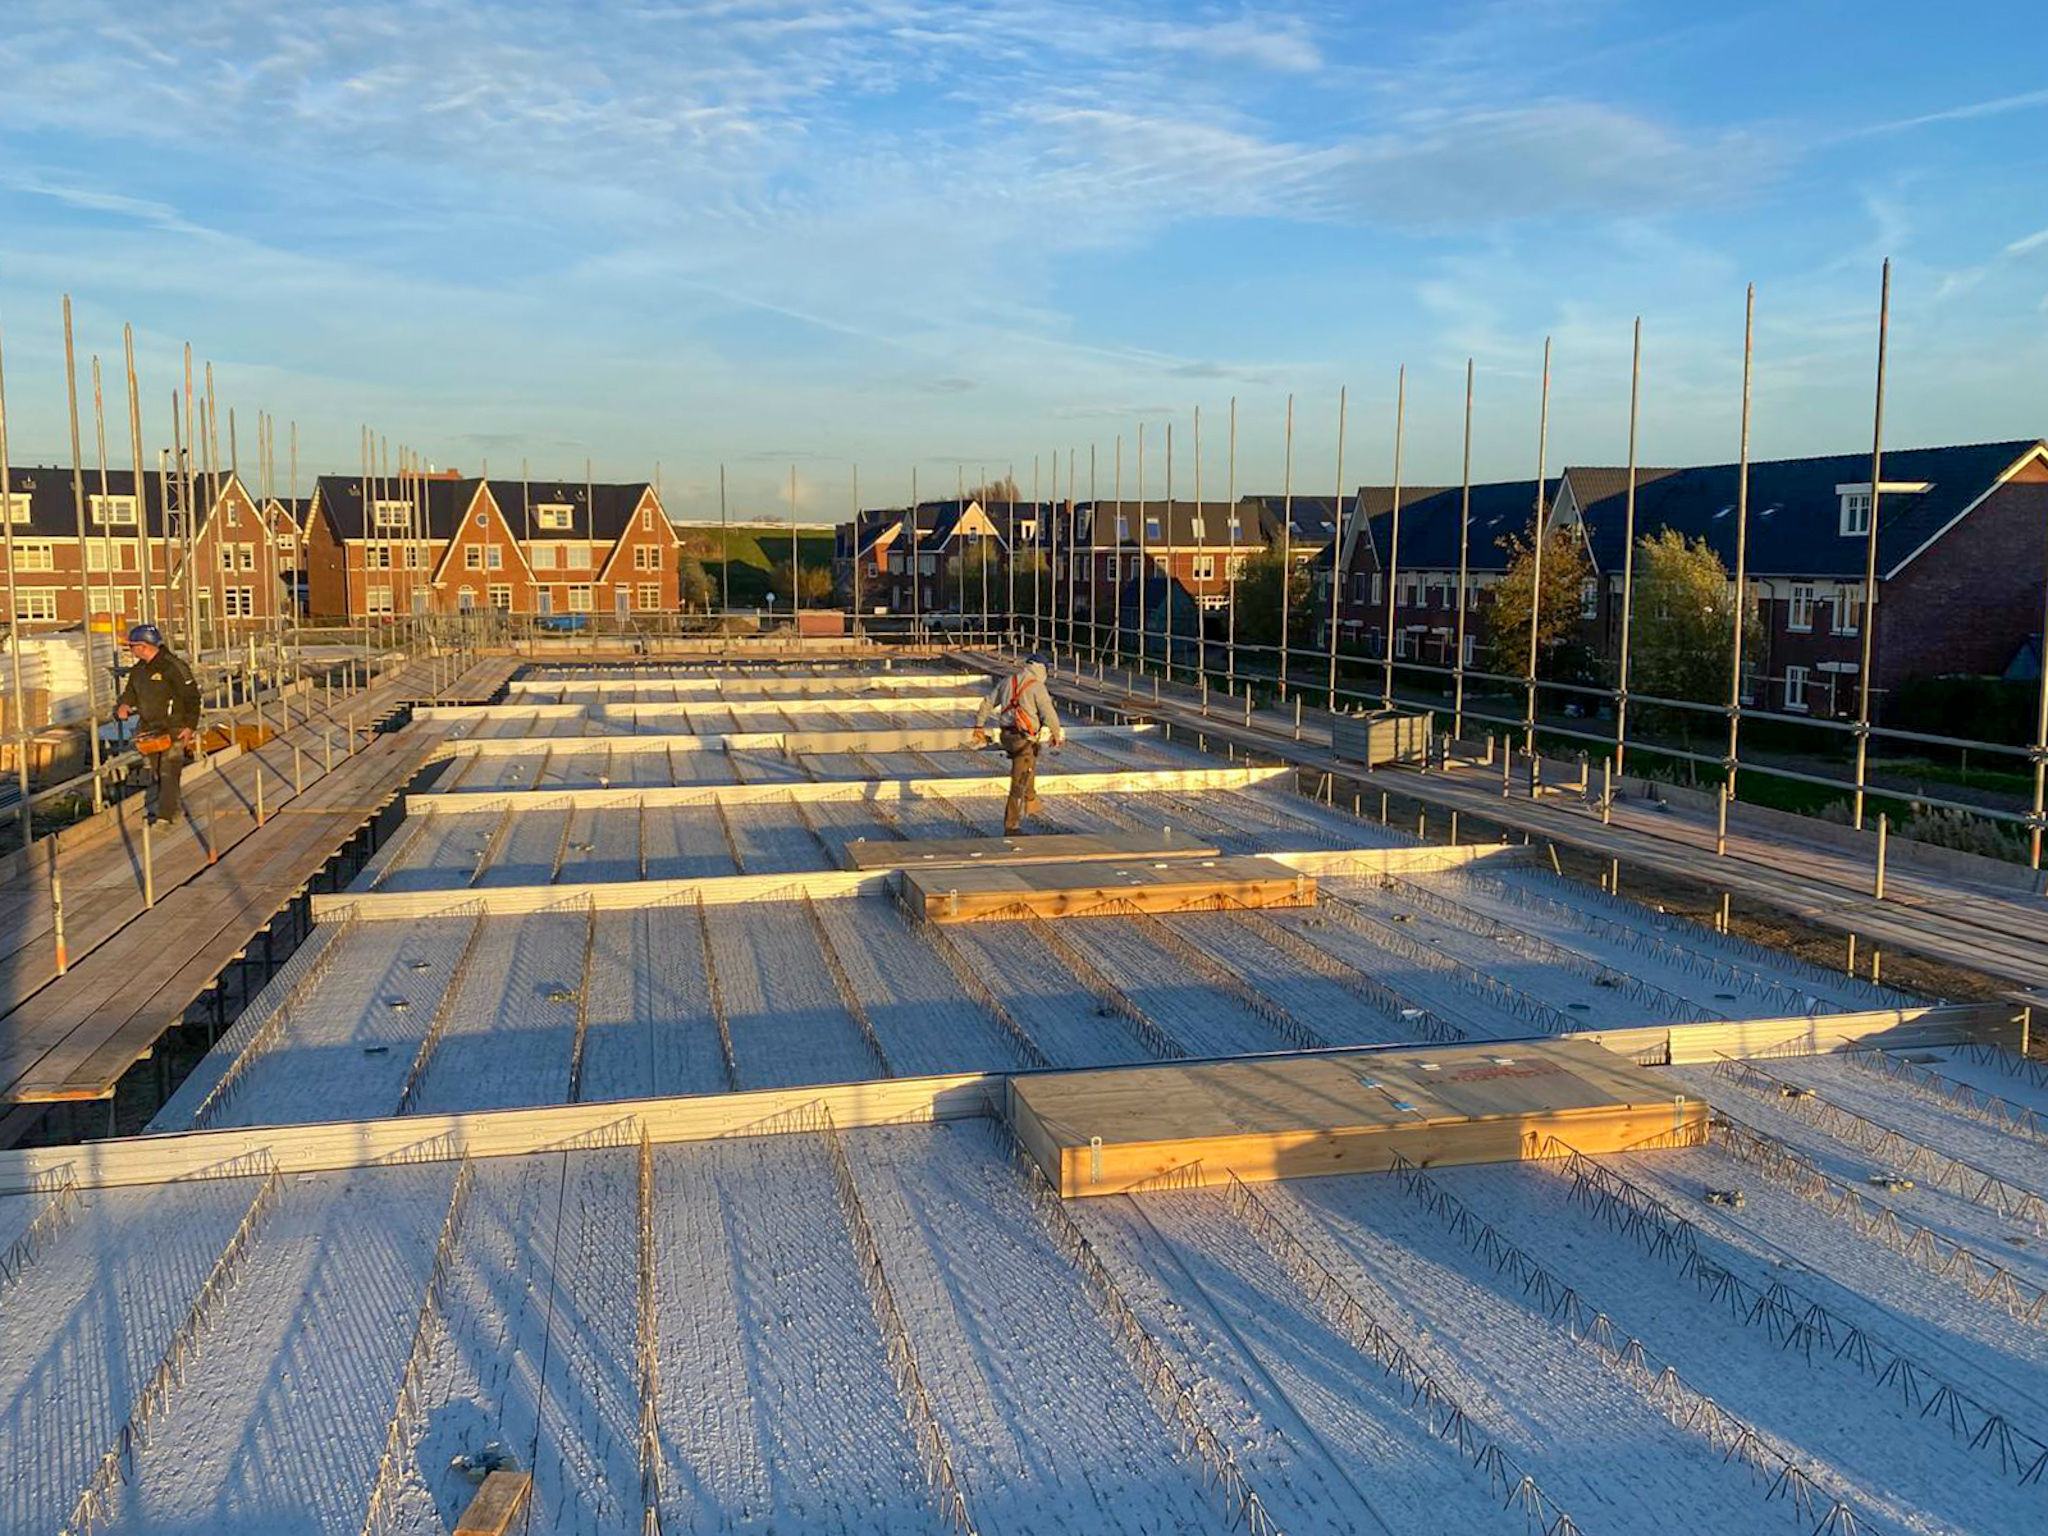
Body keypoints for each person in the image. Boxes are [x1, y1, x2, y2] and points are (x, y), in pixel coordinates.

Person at [114, 624, 201, 825]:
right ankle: (171, 807)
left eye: (132, 646)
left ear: (144, 646)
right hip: (149, 728)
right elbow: (131, 692)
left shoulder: (174, 667)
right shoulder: (139, 670)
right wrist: (125, 704)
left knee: (168, 770)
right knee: (155, 771)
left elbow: (192, 697)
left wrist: (190, 726)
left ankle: (165, 816)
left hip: (175, 726)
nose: (131, 650)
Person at [973, 655, 1064, 836]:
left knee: (1029, 760)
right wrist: (1056, 733)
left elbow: (988, 703)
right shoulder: (1037, 687)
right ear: (1041, 669)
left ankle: (1031, 798)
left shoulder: (1008, 681)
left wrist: (979, 725)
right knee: (1019, 782)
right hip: (1022, 739)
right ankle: (1011, 825)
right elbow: (1048, 711)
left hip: (1007, 735)